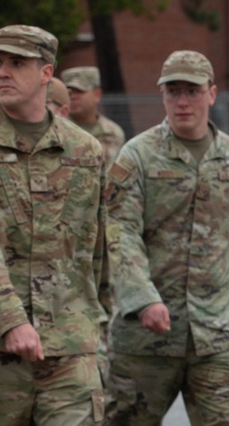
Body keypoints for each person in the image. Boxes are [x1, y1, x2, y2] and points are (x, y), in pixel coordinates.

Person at [104, 50, 229, 425]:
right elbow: (120, 233)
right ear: (162, 96)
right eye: (173, 91)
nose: (182, 101)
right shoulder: (137, 156)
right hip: (146, 334)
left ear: (211, 93)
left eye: (192, 90)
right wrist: (142, 299)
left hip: (218, 330)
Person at [0, 25, 112, 425]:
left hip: (70, 346)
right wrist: (10, 319)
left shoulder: (84, 151)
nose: (2, 72)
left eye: (16, 63)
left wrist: (99, 320)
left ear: (47, 73)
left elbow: (100, 244)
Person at [62, 66, 126, 171]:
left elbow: (117, 172)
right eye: (69, 92)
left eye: (79, 91)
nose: (73, 97)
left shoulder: (112, 132)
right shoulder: (57, 130)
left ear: (97, 94)